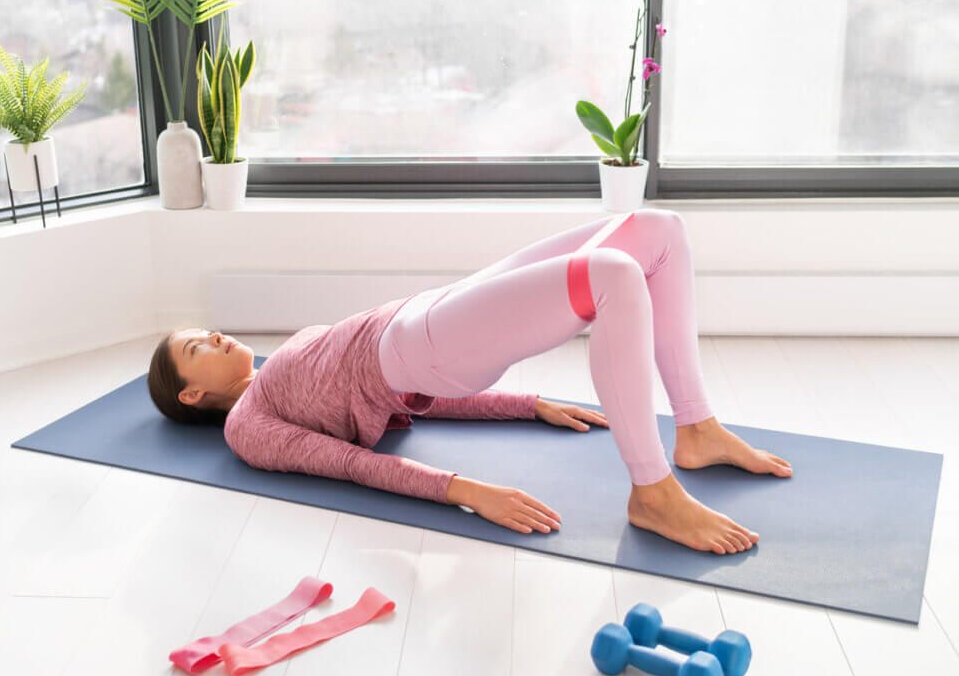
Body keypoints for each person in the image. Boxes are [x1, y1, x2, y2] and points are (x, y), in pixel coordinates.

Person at [148, 208, 791, 555]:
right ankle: (652, 493)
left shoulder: (286, 355)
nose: (213, 336)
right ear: (190, 393)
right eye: (194, 347)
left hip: (429, 311)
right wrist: (464, 490)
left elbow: (415, 404)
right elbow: (350, 465)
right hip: (416, 344)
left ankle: (697, 427)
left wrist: (525, 405)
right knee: (614, 275)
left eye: (205, 330)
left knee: (660, 230)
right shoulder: (247, 426)